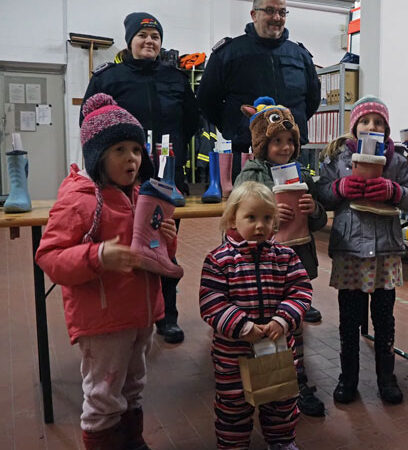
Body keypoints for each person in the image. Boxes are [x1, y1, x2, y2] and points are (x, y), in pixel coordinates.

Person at [36, 93, 175, 449]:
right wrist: (97, 255)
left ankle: (134, 441)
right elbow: (50, 256)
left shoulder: (140, 196)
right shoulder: (79, 200)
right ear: (98, 155)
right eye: (120, 150)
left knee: (132, 388)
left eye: (136, 149)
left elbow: (152, 254)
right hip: (103, 322)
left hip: (140, 316)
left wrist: (167, 241)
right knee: (103, 397)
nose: (131, 158)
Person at [81, 11, 199, 344]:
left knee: (163, 244)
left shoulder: (175, 78)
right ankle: (129, 315)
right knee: (129, 245)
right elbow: (89, 125)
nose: (149, 42)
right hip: (124, 181)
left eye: (155, 38)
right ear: (130, 41)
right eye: (143, 37)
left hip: (167, 177)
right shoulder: (108, 78)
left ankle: (166, 316)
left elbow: (191, 122)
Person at [316, 95, 408, 404]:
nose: (371, 126)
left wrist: (394, 191)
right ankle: (347, 378)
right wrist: (339, 188)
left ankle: (387, 378)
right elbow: (321, 192)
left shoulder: (398, 161)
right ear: (354, 127)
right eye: (364, 121)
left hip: (386, 250)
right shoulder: (337, 159)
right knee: (349, 319)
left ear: (386, 129)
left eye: (378, 122)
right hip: (351, 249)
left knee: (384, 317)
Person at [199, 181, 312, 450]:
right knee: (233, 408)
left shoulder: (285, 256)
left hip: (277, 348)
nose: (260, 226)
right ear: (232, 219)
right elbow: (212, 302)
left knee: (281, 400)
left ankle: (282, 442)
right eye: (251, 217)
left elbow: (300, 291)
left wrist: (283, 319)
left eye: (267, 218)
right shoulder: (218, 260)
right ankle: (233, 445)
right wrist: (242, 326)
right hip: (233, 354)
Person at [234, 97, 327, 417]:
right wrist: (270, 211)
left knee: (292, 325)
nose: (285, 147)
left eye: (290, 141)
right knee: (264, 327)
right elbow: (239, 214)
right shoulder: (251, 174)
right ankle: (262, 383)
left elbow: (318, 220)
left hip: (295, 262)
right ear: (262, 143)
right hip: (260, 266)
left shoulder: (302, 172)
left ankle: (297, 383)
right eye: (276, 141)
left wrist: (314, 210)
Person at [197, 0, 320, 183]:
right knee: (249, 209)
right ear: (254, 14)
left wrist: (290, 126)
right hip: (246, 154)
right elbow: (207, 100)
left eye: (282, 12)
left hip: (291, 154)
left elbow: (312, 100)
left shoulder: (300, 55)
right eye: (270, 11)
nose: (277, 17)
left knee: (292, 208)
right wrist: (236, 126)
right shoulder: (229, 53)